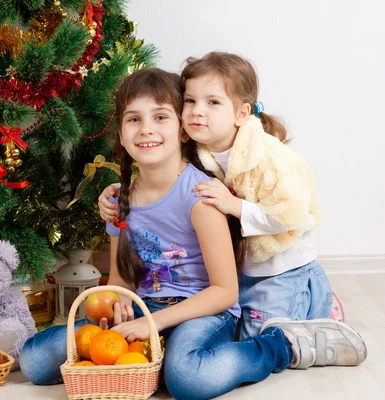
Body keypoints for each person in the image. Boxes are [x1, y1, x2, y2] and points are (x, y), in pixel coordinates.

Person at [20, 67, 366, 400]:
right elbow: (122, 279)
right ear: (121, 134)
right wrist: (120, 302)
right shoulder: (119, 198)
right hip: (146, 309)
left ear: (183, 130)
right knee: (36, 361)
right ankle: (154, 360)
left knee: (188, 379)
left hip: (202, 312)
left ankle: (283, 344)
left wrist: (150, 324)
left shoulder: (200, 196)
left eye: (160, 117)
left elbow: (225, 292)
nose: (146, 129)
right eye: (134, 119)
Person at [99, 52, 345, 340]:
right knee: (235, 327)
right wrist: (115, 191)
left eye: (212, 102)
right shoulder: (203, 148)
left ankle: (317, 307)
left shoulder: (272, 159)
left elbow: (292, 216)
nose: (197, 111)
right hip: (244, 266)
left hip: (282, 267)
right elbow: (158, 170)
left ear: (242, 113)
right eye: (190, 101)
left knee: (256, 335)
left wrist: (235, 206)